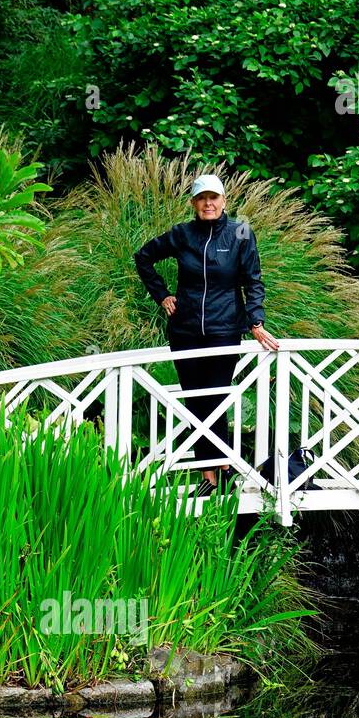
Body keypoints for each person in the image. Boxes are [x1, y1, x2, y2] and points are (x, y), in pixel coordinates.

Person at [133, 173, 279, 496]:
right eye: (202, 198)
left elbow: (253, 281)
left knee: (215, 399)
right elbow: (143, 258)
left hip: (224, 329)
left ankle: (222, 469)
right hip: (184, 331)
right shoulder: (182, 234)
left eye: (214, 197)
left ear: (224, 201)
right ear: (194, 203)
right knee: (196, 403)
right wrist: (162, 295)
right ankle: (210, 474)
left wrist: (256, 322)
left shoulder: (240, 233)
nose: (208, 203)